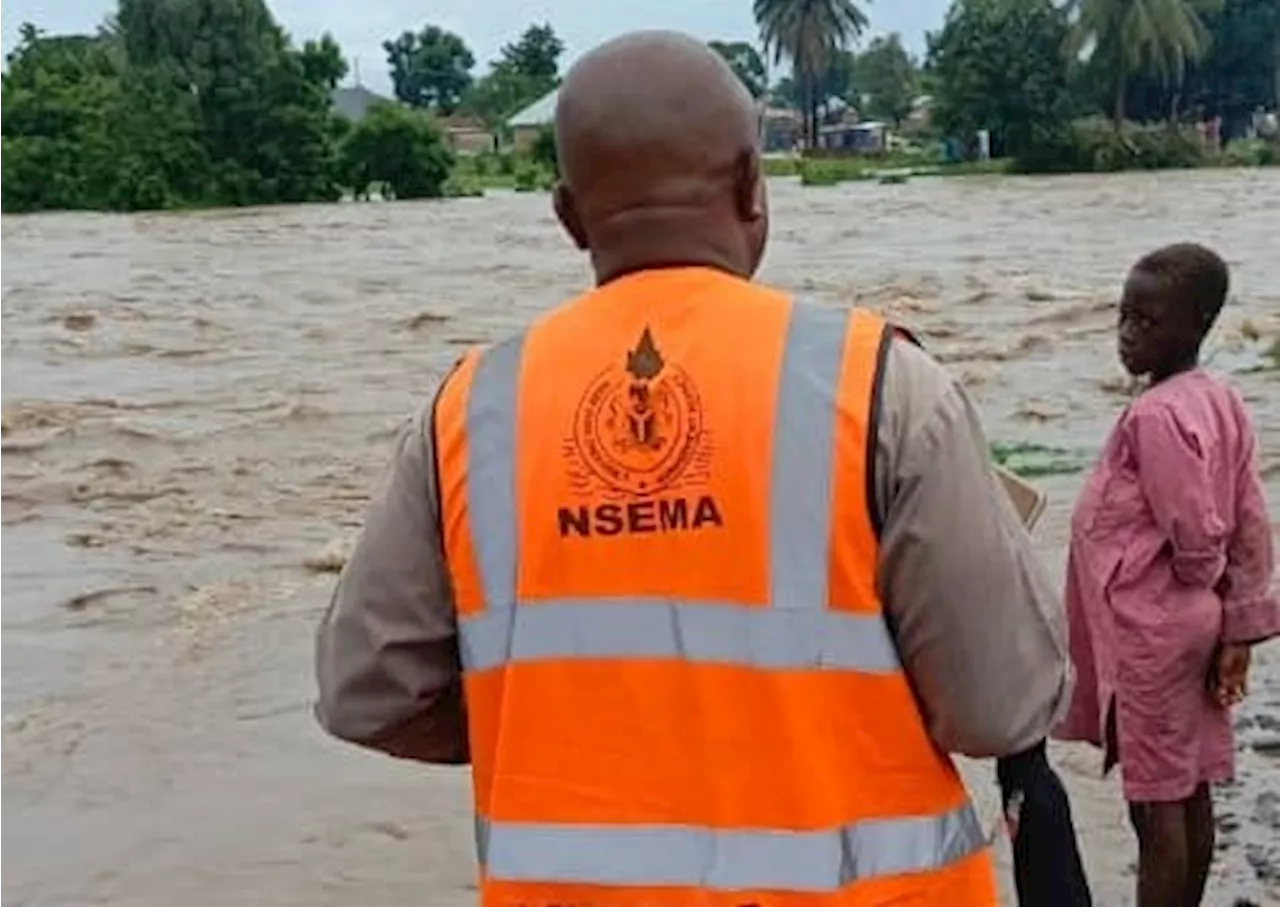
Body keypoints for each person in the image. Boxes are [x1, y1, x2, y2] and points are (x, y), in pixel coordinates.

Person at [315, 30, 1083, 906]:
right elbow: (1000, 705)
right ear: (754, 185)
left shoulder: (469, 411)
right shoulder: (879, 387)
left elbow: (367, 689)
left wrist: (548, 711)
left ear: (568, 216)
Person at [1054, 243, 1280, 907]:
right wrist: (1238, 619)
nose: (1128, 333)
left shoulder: (1155, 415)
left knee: (1155, 803)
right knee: (1191, 781)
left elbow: (1197, 527)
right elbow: (1250, 515)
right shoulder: (1218, 399)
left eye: (1149, 321)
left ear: (1199, 322)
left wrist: (1197, 573)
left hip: (1153, 626)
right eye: (1124, 316)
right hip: (1192, 620)